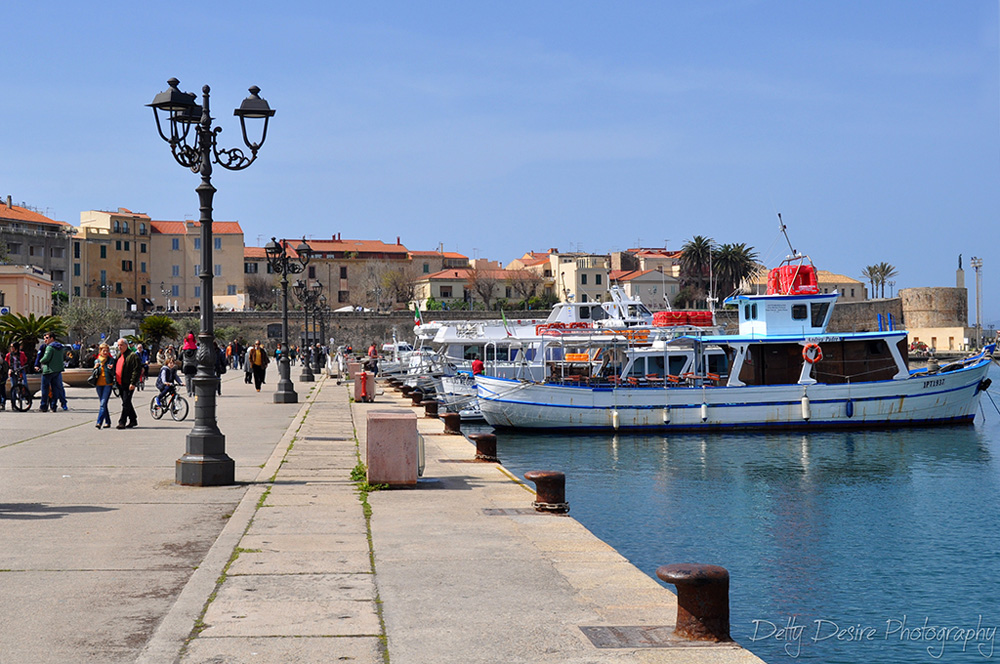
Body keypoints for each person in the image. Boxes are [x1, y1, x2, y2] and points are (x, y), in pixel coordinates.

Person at [114, 338, 142, 429]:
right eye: (118, 345)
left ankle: (122, 422)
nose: (119, 347)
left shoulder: (133, 356)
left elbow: (137, 370)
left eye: (121, 345)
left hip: (128, 384)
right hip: (120, 383)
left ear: (126, 345)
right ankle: (133, 420)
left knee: (125, 403)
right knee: (127, 402)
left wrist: (133, 383)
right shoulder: (119, 355)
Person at [39, 332, 68, 412]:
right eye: (44, 338)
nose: (45, 340)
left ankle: (44, 406)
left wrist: (41, 361)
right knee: (55, 389)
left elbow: (46, 358)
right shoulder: (60, 347)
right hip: (57, 370)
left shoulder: (50, 347)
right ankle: (53, 405)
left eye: (47, 338)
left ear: (52, 338)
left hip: (48, 370)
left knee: (45, 388)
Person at [91, 343, 115, 429]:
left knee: (103, 403)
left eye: (107, 351)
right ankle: (108, 421)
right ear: (100, 351)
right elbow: (94, 374)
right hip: (99, 384)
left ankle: (99, 422)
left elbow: (113, 373)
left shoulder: (111, 360)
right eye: (104, 351)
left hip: (107, 384)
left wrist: (111, 368)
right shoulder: (97, 361)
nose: (105, 352)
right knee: (103, 404)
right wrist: (95, 368)